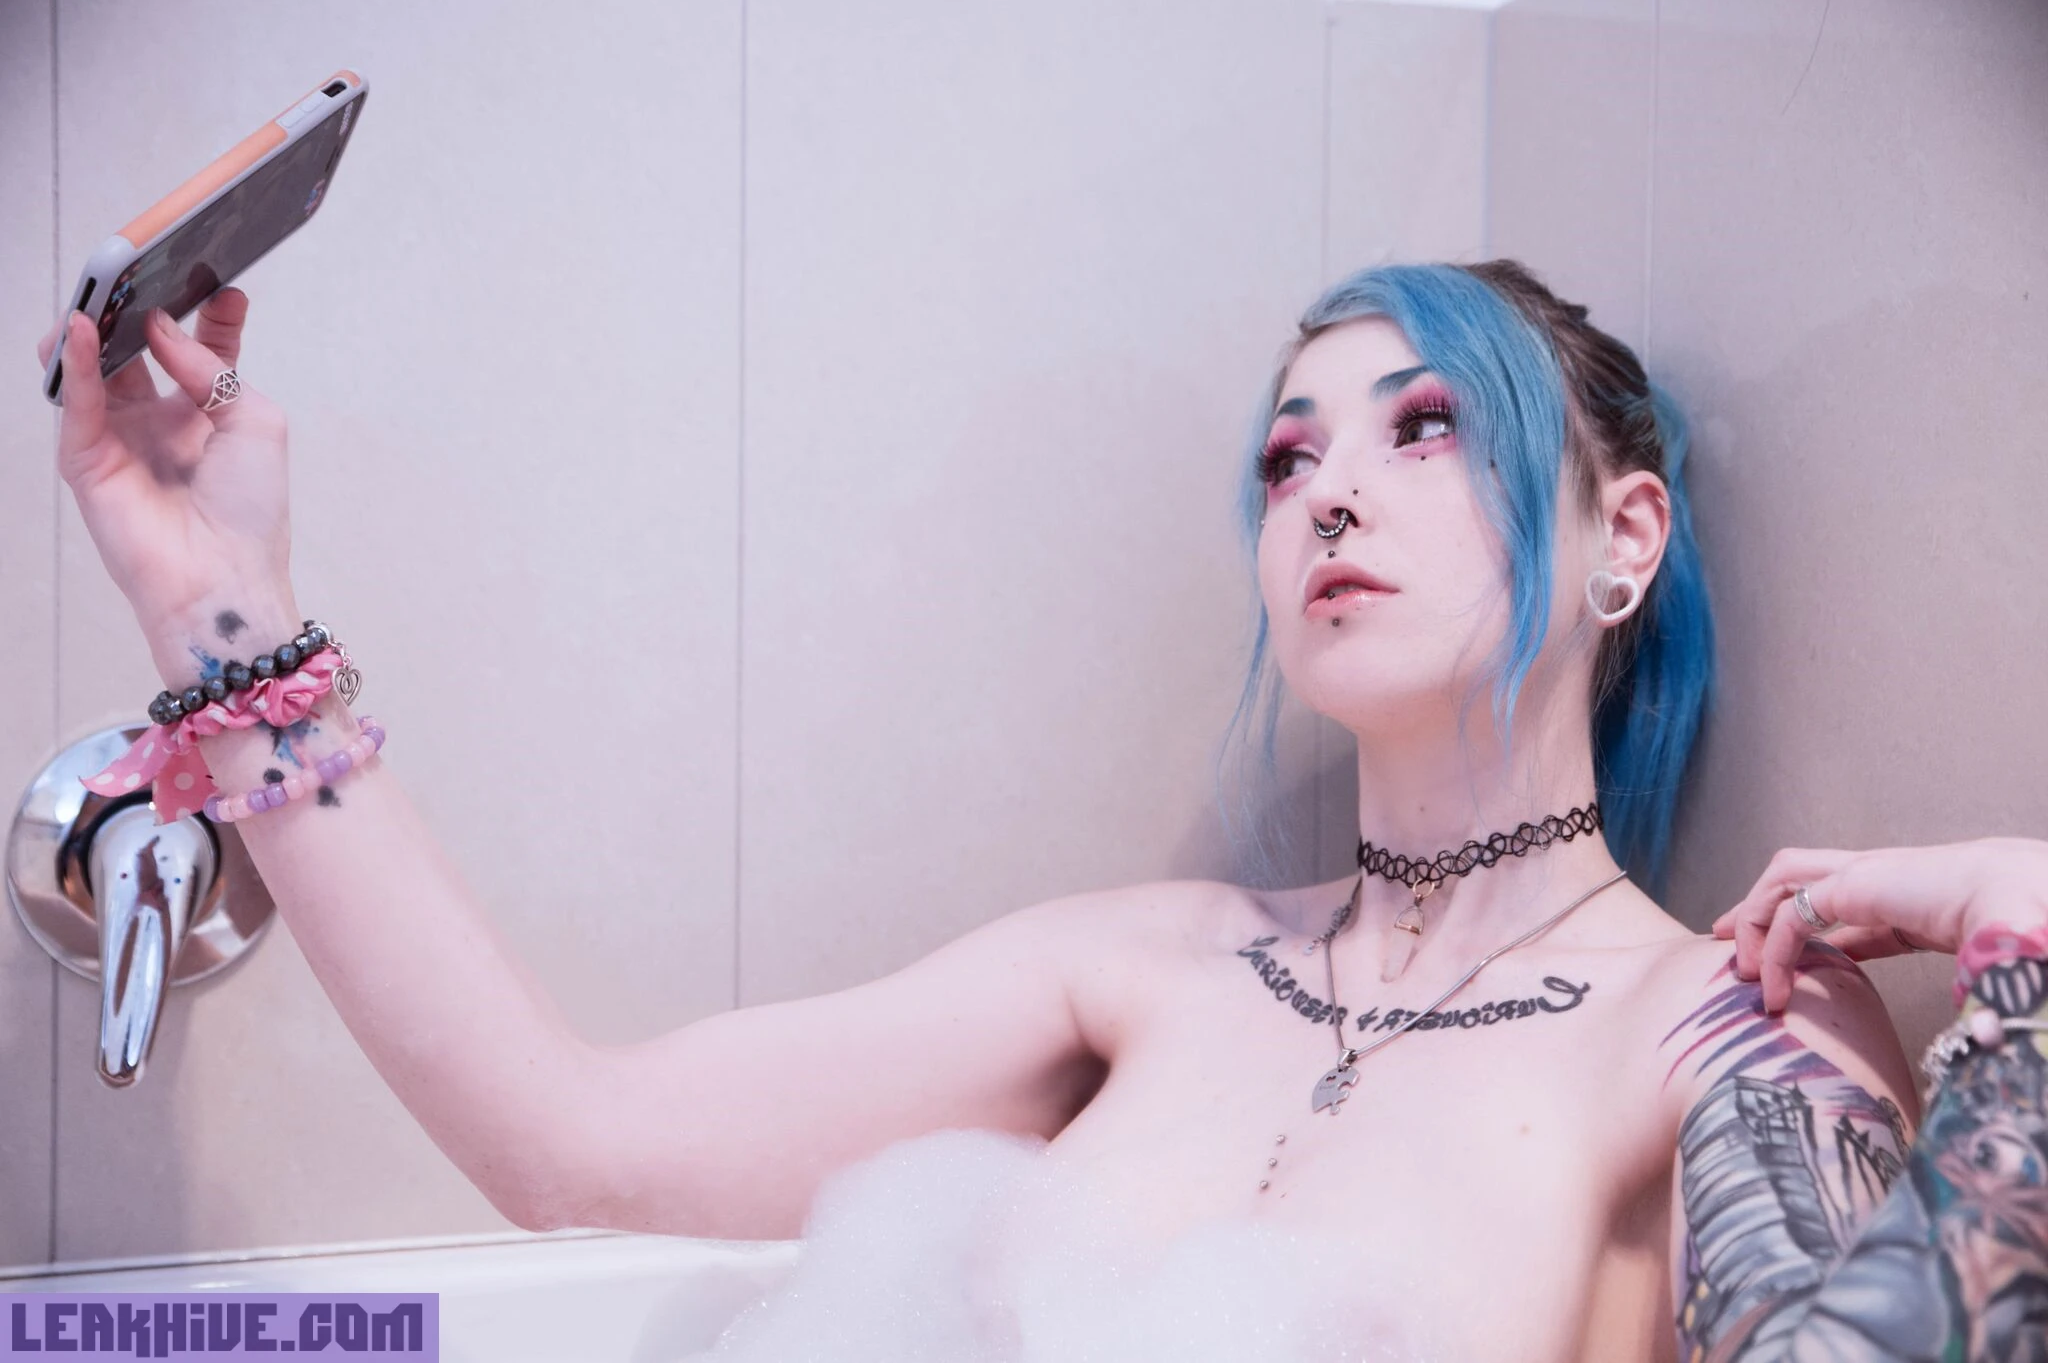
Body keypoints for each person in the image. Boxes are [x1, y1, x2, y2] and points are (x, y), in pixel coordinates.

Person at [37, 261, 2048, 1361]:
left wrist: (2024, 934)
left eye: (1426, 427)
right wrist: (223, 602)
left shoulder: (1722, 1019)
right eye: (1284, 459)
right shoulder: (1148, 968)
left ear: (1626, 540)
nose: (1329, 492)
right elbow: (575, 1142)